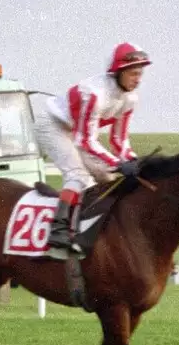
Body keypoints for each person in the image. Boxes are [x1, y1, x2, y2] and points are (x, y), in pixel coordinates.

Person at [36, 43, 150, 258]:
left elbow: (119, 140)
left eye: (140, 74)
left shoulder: (130, 98)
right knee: (78, 176)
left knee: (108, 177)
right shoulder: (94, 94)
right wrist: (118, 163)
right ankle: (58, 230)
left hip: (75, 131)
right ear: (119, 71)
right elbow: (85, 141)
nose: (138, 79)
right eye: (134, 73)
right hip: (52, 125)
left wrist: (133, 161)